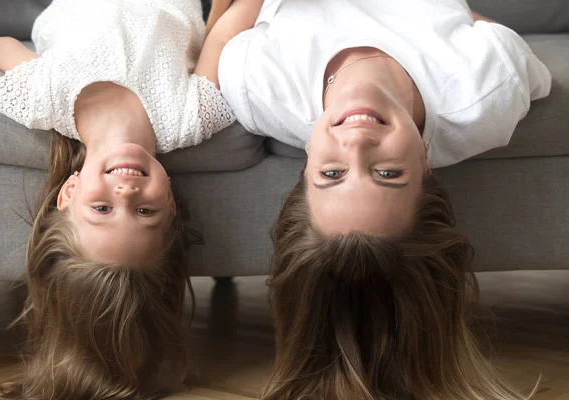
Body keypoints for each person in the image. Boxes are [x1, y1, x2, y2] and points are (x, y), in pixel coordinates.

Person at [217, 0, 551, 399]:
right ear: (427, 165)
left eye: (333, 173)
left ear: (305, 170)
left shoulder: (258, 87)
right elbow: (487, 33)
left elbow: (227, 18)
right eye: (388, 173)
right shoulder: (485, 91)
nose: (357, 143)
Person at [0, 0, 255, 398]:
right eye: (144, 211)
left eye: (102, 209)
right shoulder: (190, 118)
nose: (125, 193)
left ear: (69, 193)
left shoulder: (42, 98)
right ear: (171, 205)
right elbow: (223, 33)